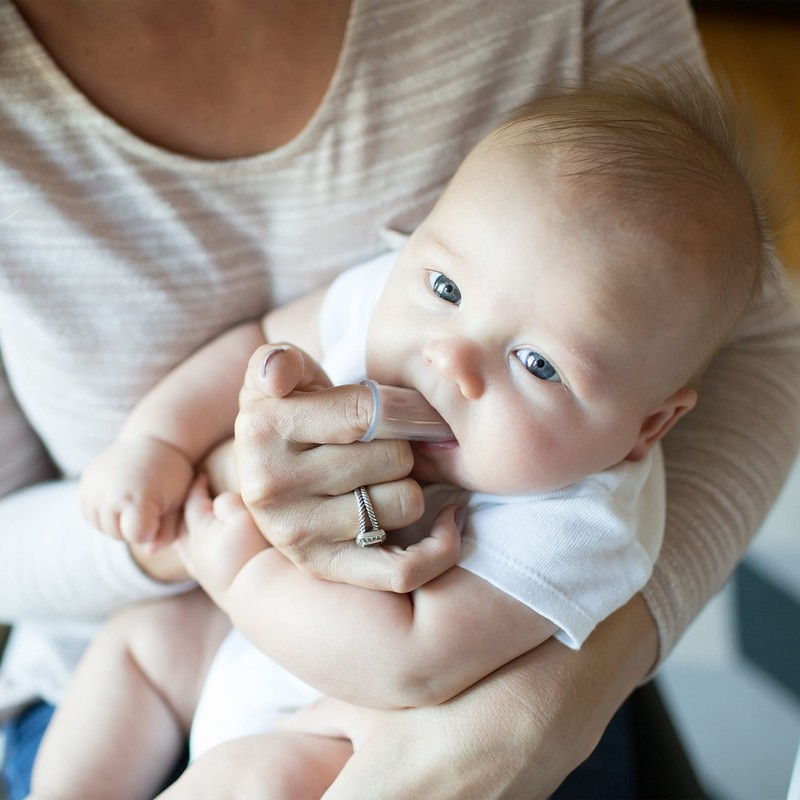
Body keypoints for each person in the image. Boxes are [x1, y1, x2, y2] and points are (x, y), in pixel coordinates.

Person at [0, 1, 798, 798]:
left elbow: (408, 663)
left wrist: (239, 568)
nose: (451, 357)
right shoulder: (401, 290)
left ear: (645, 429)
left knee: (260, 779)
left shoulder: (580, 523)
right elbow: (256, 341)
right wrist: (159, 446)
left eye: (537, 364)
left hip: (341, 718)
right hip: (208, 617)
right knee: (139, 646)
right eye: (445, 288)